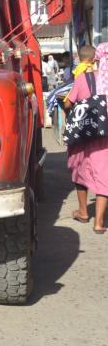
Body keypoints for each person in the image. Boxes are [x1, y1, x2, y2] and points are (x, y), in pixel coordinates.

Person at [64, 45, 108, 232]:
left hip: (83, 134)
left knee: (79, 170)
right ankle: (98, 223)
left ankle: (83, 212)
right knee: (104, 175)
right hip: (104, 136)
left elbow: (68, 103)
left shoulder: (83, 78)